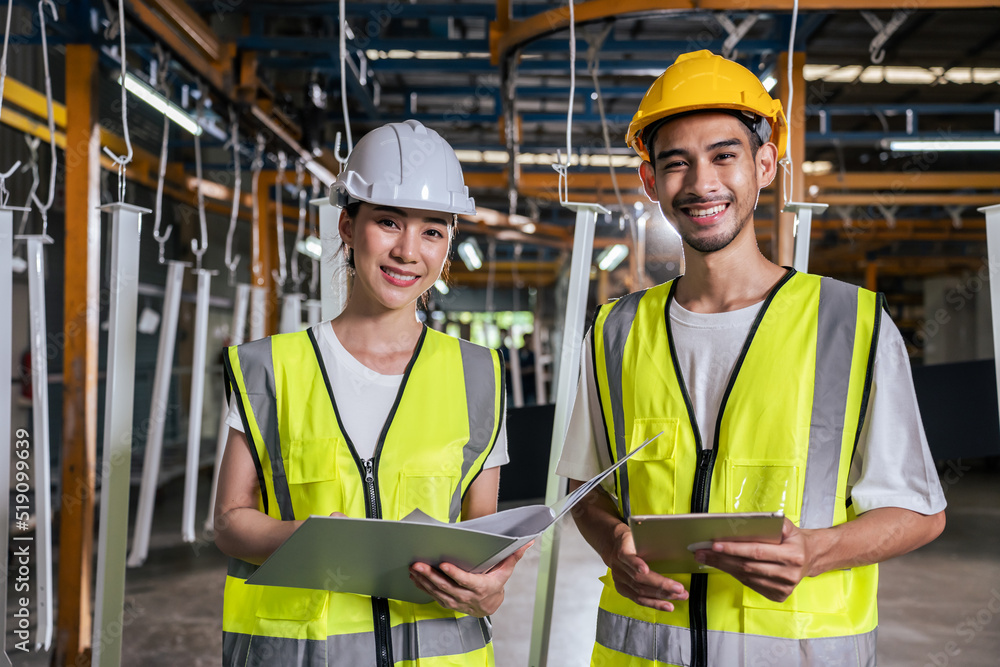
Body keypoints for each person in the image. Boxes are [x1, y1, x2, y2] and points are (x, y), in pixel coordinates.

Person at [556, 50, 946, 667]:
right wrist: (615, 549)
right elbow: (586, 488)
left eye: (724, 155)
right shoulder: (615, 330)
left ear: (764, 165)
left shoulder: (852, 324)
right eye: (676, 163)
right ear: (651, 182)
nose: (702, 183)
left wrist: (816, 551)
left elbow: (918, 513)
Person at [214, 119, 529, 667]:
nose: (409, 251)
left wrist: (489, 591)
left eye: (433, 230)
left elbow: (482, 541)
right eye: (388, 222)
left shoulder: (477, 374)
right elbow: (231, 520)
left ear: (448, 243)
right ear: (347, 225)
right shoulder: (271, 366)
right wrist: (317, 539)